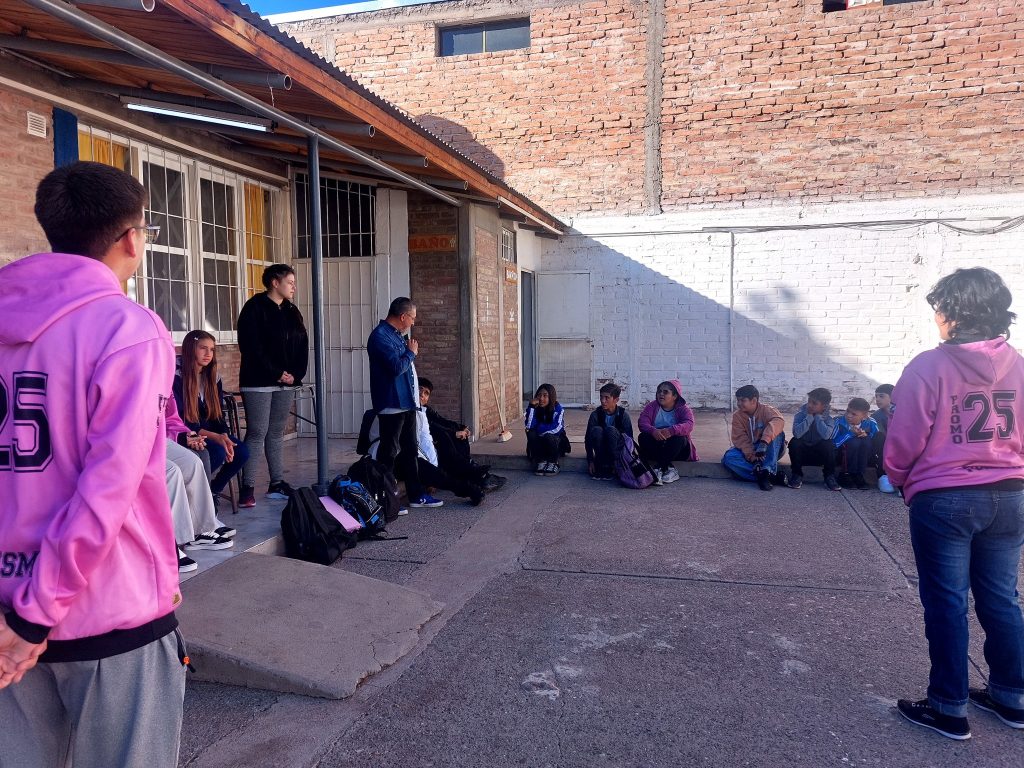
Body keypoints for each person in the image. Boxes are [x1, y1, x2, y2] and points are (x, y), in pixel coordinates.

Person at [0, 162, 186, 766]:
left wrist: (22, 619)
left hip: (7, 612)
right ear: (131, 238)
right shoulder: (127, 329)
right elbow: (108, 490)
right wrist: (37, 617)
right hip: (109, 611)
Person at [887, 268, 1024, 741]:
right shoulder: (1019, 365)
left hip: (945, 497)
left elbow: (905, 437)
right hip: (1011, 494)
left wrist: (901, 480)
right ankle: (1013, 697)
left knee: (947, 602)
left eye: (941, 309)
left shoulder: (929, 367)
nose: (937, 318)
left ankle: (948, 706)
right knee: (1002, 597)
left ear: (956, 314)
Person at [236, 263, 308, 507]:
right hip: (258, 381)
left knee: (276, 431)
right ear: (275, 283)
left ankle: (276, 483)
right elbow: (251, 346)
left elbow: (302, 343)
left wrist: (295, 375)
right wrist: (276, 373)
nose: (294, 287)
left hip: (287, 382)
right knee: (257, 432)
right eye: (290, 282)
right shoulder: (254, 308)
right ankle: (247, 488)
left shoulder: (292, 310)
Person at [367, 297, 442, 508]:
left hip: (407, 403)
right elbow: (396, 368)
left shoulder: (396, 335)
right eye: (412, 318)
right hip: (392, 403)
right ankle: (386, 500)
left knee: (410, 450)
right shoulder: (380, 337)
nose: (413, 322)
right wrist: (411, 352)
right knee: (389, 453)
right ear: (402, 316)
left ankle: (416, 495)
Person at [173, 330, 250, 501]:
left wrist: (224, 435)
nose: (208, 354)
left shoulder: (213, 376)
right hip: (187, 434)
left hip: (209, 432)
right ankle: (196, 495)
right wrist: (217, 438)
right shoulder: (176, 376)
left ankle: (212, 491)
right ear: (191, 348)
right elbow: (180, 418)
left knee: (241, 451)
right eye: (203, 348)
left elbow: (217, 414)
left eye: (212, 349)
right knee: (217, 452)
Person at [164, 394, 235, 573]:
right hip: (129, 440)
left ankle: (200, 530)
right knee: (171, 471)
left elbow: (170, 418)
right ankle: (171, 544)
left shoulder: (161, 379)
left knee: (192, 462)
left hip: (158, 437)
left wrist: (184, 435)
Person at [419, 377, 505, 492]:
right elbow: (432, 427)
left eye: (426, 393)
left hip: (433, 442)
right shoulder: (411, 411)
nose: (422, 395)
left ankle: (471, 467)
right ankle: (474, 473)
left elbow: (441, 421)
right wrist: (454, 433)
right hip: (423, 447)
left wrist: (461, 427)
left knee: (461, 437)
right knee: (445, 436)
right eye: (420, 389)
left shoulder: (426, 409)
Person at [721, 384, 787, 491]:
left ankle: (767, 470)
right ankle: (768, 476)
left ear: (754, 400)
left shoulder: (767, 410)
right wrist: (752, 456)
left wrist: (764, 442)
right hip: (752, 450)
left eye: (743, 400)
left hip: (770, 448)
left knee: (778, 433)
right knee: (728, 458)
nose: (739, 403)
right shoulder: (737, 416)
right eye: (738, 400)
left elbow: (779, 421)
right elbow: (741, 439)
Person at [637, 379, 699, 485]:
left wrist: (671, 431)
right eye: (659, 391)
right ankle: (669, 468)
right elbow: (642, 422)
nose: (661, 394)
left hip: (676, 450)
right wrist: (653, 431)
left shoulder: (684, 409)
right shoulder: (651, 406)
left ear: (674, 396)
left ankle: (658, 468)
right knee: (643, 437)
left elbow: (689, 424)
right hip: (657, 446)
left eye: (665, 392)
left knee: (679, 439)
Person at [787, 388, 839, 491]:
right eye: (809, 401)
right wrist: (809, 417)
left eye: (814, 403)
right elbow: (797, 434)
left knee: (829, 444)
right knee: (794, 442)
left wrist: (818, 418)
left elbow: (826, 436)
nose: (810, 405)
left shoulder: (829, 420)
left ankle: (829, 477)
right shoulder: (800, 415)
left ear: (824, 406)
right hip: (802, 456)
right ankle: (796, 475)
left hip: (819, 456)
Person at [585, 382, 634, 480]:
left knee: (610, 430)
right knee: (597, 430)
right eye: (601, 397)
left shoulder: (623, 415)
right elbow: (588, 439)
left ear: (616, 400)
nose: (603, 401)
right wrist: (590, 461)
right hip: (601, 450)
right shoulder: (595, 414)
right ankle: (600, 465)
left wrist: (627, 460)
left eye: (607, 398)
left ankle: (614, 465)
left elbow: (629, 440)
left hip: (616, 451)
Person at [834, 397, 879, 491]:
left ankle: (859, 474)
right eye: (848, 411)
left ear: (864, 416)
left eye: (854, 414)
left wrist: (867, 434)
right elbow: (834, 444)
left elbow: (877, 441)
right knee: (854, 442)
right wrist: (850, 434)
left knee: (866, 440)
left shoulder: (871, 422)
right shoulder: (838, 422)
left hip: (863, 458)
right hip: (841, 456)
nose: (849, 415)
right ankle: (846, 474)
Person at [525, 383, 570, 476]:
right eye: (539, 395)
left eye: (545, 396)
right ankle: (541, 461)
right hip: (540, 444)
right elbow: (529, 426)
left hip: (555, 443)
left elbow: (557, 428)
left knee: (548, 436)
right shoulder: (535, 408)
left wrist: (539, 429)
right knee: (531, 433)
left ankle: (554, 462)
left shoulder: (558, 409)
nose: (541, 398)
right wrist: (531, 407)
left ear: (551, 397)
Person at [872, 384, 897, 493]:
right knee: (880, 438)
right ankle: (883, 476)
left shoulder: (903, 413)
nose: (877, 399)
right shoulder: (876, 416)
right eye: (876, 396)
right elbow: (880, 433)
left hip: (901, 444)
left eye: (881, 396)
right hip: (885, 446)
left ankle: (905, 480)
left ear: (892, 397)